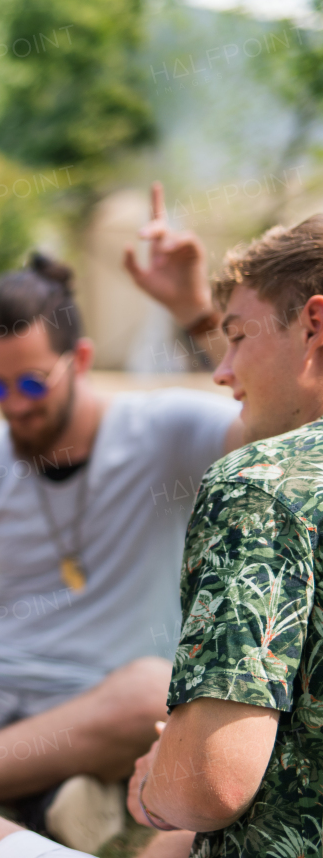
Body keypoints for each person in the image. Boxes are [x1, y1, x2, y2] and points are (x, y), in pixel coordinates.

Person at [0, 240, 245, 851]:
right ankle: (38, 794)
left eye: (31, 382)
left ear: (80, 358)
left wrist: (195, 308)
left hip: (99, 704)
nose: (16, 407)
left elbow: (283, 427)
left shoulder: (164, 431)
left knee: (154, 691)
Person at [116, 192, 323, 856]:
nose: (223, 373)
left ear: (315, 325)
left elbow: (212, 785)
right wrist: (197, 311)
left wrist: (154, 785)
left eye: (236, 337)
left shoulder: (262, 487)